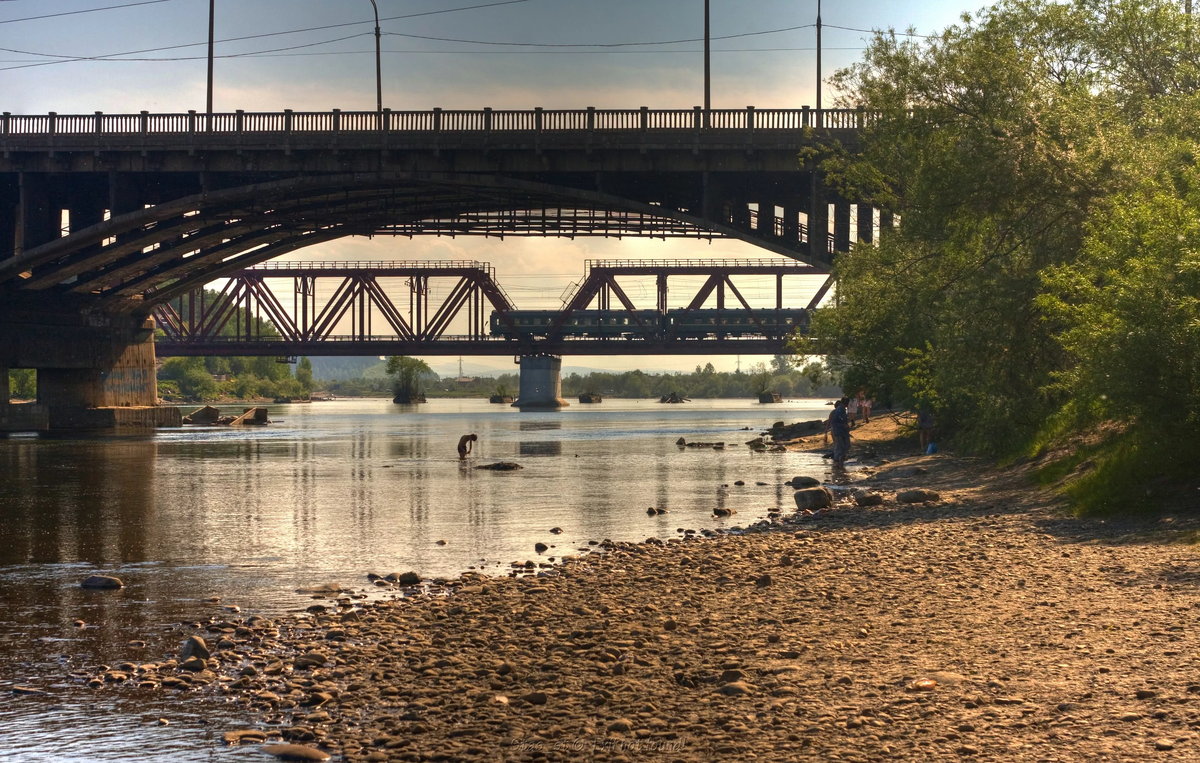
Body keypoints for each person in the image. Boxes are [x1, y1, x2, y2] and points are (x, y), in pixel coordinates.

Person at [825, 398, 851, 468]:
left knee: (846, 446)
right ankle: (837, 463)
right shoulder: (838, 411)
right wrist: (843, 425)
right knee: (839, 446)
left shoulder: (842, 410)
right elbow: (833, 422)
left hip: (843, 431)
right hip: (838, 431)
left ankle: (840, 461)